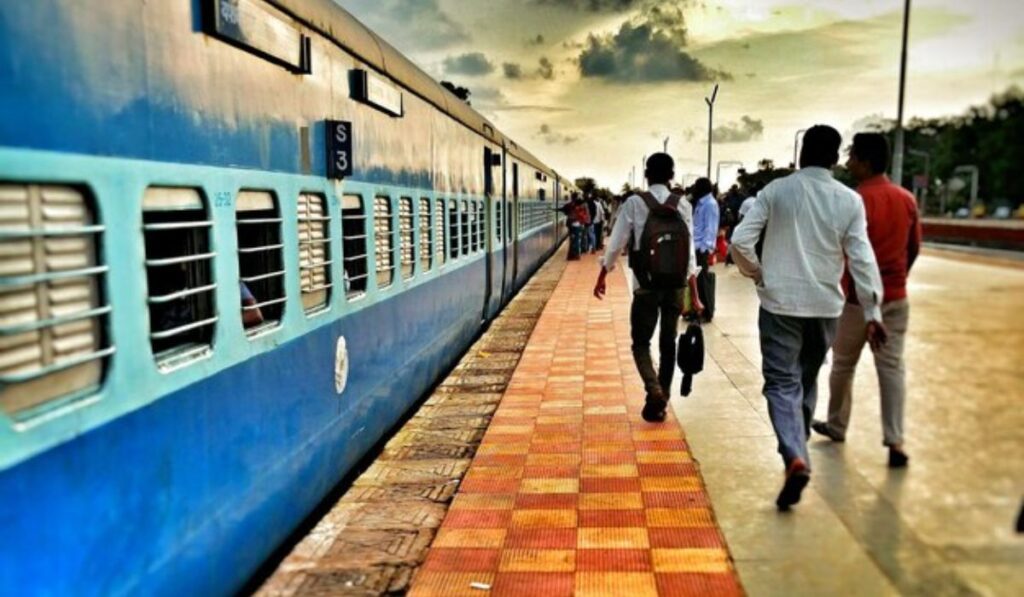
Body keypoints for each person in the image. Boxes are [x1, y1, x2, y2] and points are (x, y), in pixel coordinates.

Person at [730, 125, 886, 511]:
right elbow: (862, 259)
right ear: (835, 158)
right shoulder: (849, 200)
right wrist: (873, 311)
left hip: (780, 304)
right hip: (826, 307)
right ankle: (797, 452)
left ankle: (794, 455)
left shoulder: (776, 191)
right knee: (805, 379)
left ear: (801, 153)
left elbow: (739, 241)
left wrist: (759, 273)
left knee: (781, 383)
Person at [812, 132, 922, 468]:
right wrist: (895, 280)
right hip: (896, 297)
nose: (848, 163)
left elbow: (843, 253)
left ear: (867, 161)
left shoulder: (854, 200)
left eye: (853, 157)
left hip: (857, 302)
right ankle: (895, 439)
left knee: (843, 364)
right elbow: (913, 248)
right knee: (891, 368)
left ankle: (836, 423)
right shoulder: (906, 199)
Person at [594, 153, 702, 422]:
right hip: (676, 286)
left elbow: (617, 241)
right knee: (668, 343)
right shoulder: (683, 205)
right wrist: (695, 294)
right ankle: (662, 399)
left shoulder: (634, 203)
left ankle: (653, 389)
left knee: (641, 343)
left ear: (646, 174)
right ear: (671, 175)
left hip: (645, 286)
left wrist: (603, 273)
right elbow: (689, 256)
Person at [691, 178, 719, 322]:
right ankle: (697, 309)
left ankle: (707, 311)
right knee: (695, 280)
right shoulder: (701, 203)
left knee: (702, 281)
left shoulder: (710, 204)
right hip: (695, 247)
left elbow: (711, 228)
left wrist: (706, 248)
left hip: (701, 248)